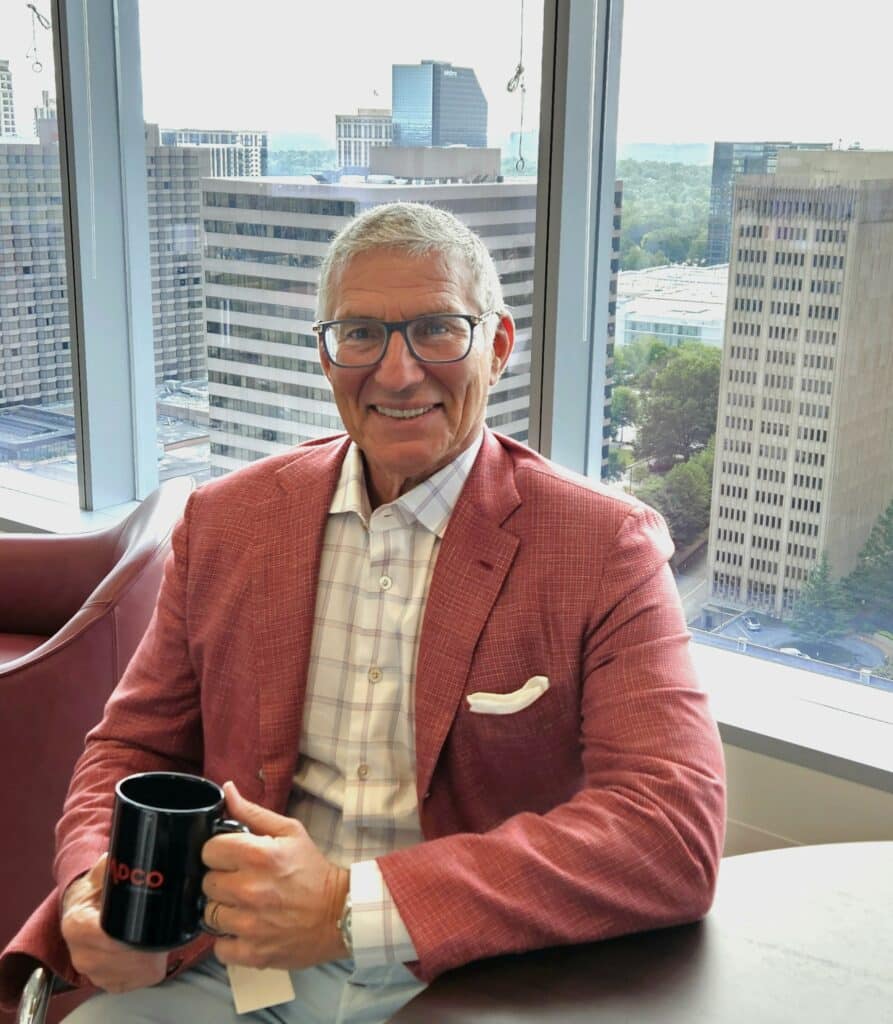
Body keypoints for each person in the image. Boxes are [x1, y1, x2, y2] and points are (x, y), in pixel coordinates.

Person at [0, 202, 726, 1023]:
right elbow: (131, 746)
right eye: (359, 335)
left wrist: (348, 905)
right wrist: (92, 891)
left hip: (467, 972)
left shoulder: (601, 548)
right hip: (234, 964)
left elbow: (670, 829)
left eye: (436, 330)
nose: (396, 372)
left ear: (496, 344)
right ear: (325, 353)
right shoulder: (227, 521)